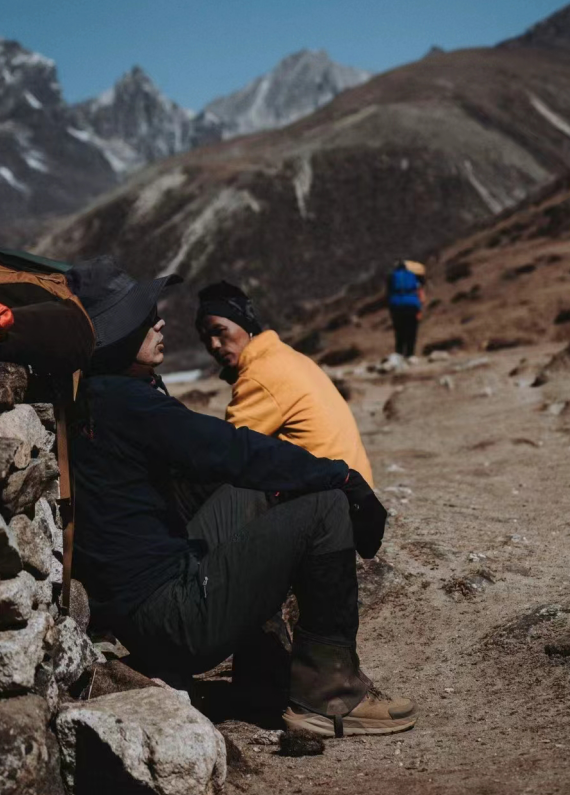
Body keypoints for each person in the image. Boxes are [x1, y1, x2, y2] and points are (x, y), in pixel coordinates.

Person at [66, 256, 416, 738]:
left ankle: (262, 676)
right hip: (170, 616)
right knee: (325, 507)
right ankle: (330, 695)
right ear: (118, 335)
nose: (160, 321)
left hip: (148, 598)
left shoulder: (99, 394)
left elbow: (228, 463)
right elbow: (229, 448)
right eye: (145, 318)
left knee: (248, 493)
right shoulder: (127, 404)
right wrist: (343, 478)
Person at [196, 281, 373, 486]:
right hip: (356, 490)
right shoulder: (286, 356)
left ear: (245, 324)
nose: (213, 345)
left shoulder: (260, 374)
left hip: (335, 499)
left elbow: (228, 454)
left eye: (219, 331)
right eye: (205, 339)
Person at [386, 260, 423, 358]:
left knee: (399, 331)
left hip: (397, 305)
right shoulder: (413, 276)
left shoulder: (392, 276)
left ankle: (399, 353)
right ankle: (410, 354)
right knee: (411, 330)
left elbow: (389, 292)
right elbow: (419, 290)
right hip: (412, 304)